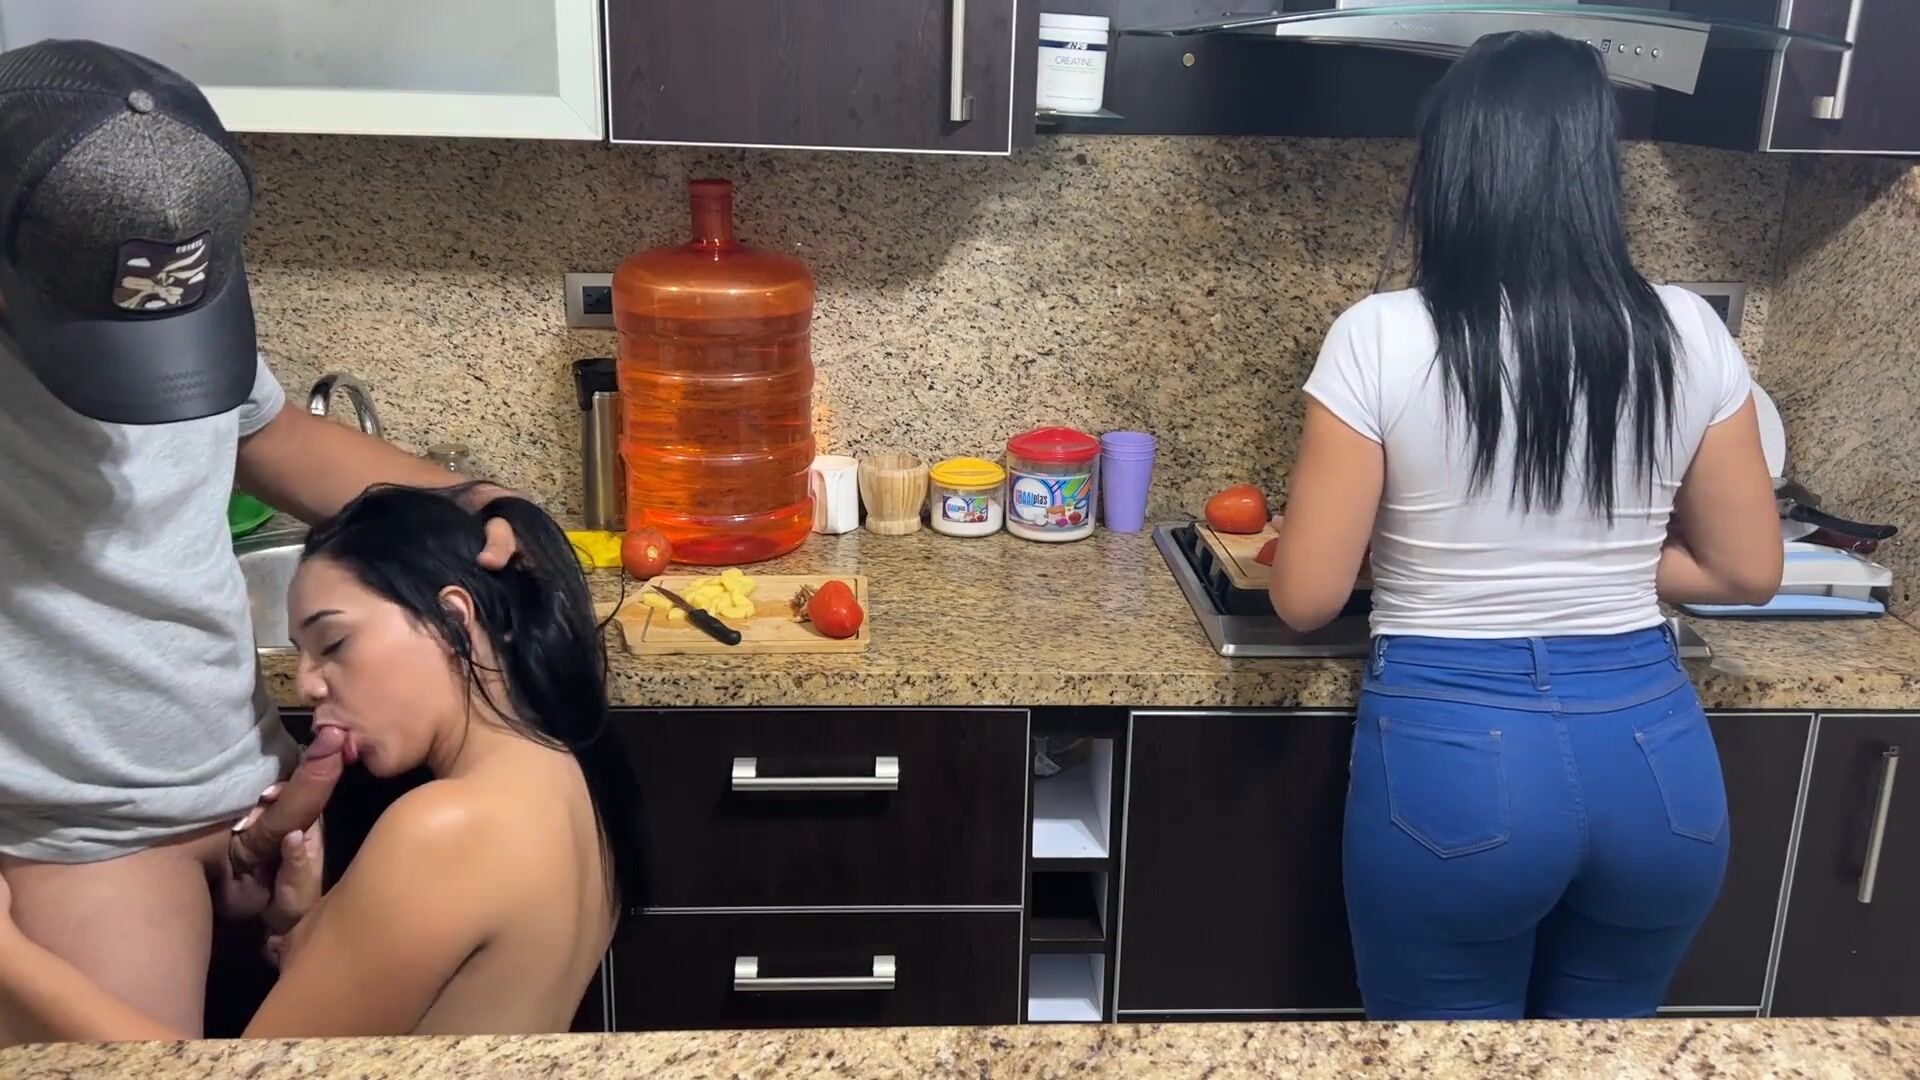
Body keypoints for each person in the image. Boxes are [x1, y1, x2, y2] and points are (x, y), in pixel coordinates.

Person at [0, 39, 525, 1041]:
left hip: (257, 779)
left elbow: (271, 436)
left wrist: (474, 497)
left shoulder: (175, 296)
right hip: (85, 836)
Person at [1266, 31, 1782, 1021]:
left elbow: (1306, 597)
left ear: (1452, 167)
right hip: (1656, 761)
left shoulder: (1381, 334)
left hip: (1456, 756)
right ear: (1597, 167)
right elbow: (1746, 571)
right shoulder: (1690, 330)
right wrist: (1600, 560)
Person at [0, 485, 640, 1038]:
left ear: (452, 617)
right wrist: (306, 924)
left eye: (333, 643)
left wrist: (12, 960)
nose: (308, 685)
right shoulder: (567, 777)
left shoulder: (448, 829)